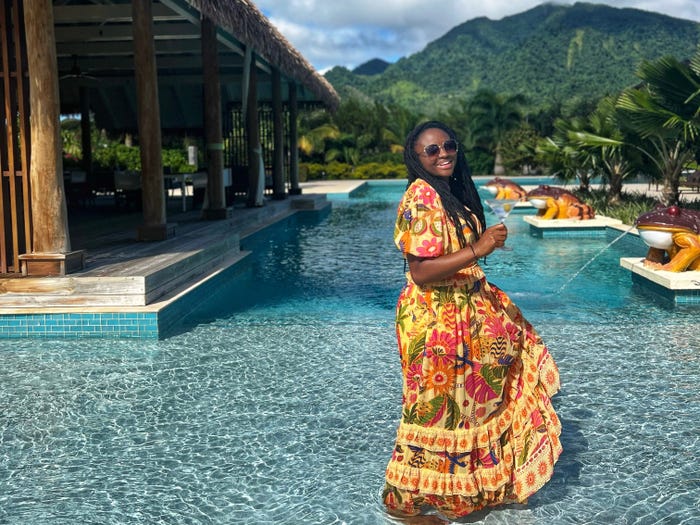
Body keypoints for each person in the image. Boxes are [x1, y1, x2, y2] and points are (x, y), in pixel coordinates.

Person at [382, 121, 562, 523]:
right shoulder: (422, 196)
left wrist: (484, 245)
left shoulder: (449, 193)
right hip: (436, 323)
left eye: (449, 145)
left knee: (470, 408)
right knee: (432, 411)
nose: (444, 153)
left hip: (465, 314)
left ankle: (463, 491)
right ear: (416, 158)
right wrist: (478, 249)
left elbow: (455, 255)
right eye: (432, 150)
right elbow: (422, 271)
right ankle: (404, 507)